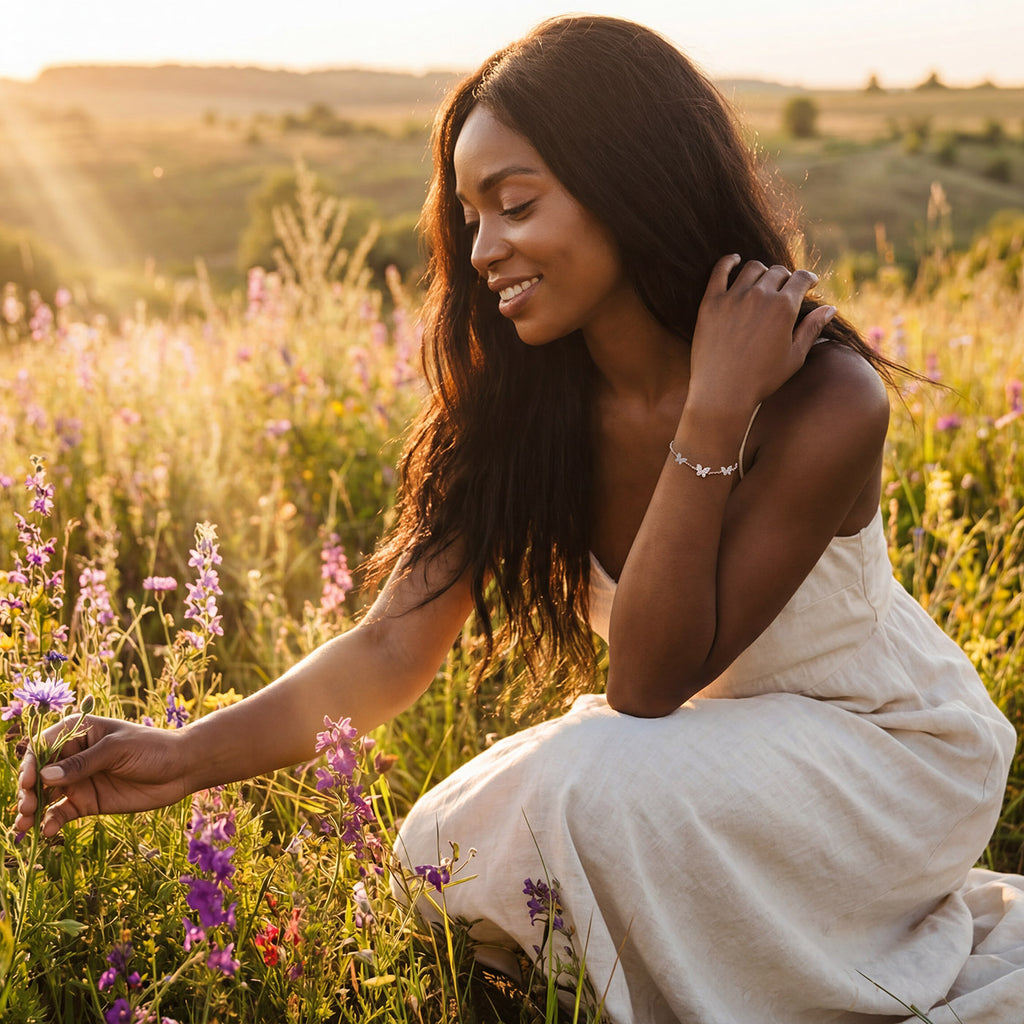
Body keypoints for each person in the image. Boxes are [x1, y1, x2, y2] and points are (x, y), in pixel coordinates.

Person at [15, 15, 1024, 1023]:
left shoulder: (826, 398)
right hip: (693, 763)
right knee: (436, 853)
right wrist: (183, 753)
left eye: (515, 205)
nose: (484, 248)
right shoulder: (525, 406)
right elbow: (387, 647)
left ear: (631, 182)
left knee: (586, 786)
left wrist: (716, 404)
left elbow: (647, 681)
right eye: (468, 216)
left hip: (883, 756)